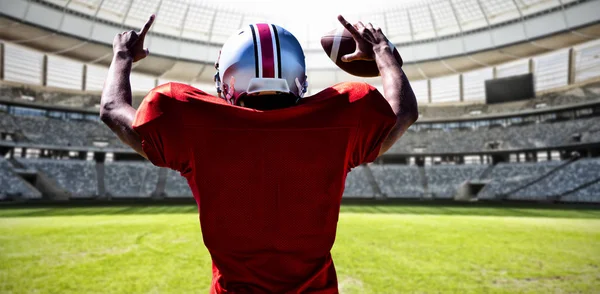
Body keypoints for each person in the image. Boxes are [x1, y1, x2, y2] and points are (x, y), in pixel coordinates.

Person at [101, 13, 417, 294]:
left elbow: (112, 109)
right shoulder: (346, 113)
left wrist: (122, 56)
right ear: (299, 80)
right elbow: (403, 113)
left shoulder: (183, 116)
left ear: (226, 80)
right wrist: (383, 54)